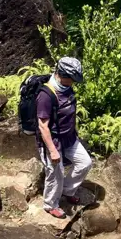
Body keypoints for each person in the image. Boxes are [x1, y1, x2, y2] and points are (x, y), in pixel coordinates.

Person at [36, 57, 93, 219]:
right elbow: (42, 126)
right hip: (52, 141)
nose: (74, 83)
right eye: (72, 79)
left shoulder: (66, 88)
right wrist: (53, 151)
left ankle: (67, 190)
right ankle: (50, 204)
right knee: (56, 172)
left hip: (69, 137)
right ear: (62, 74)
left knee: (85, 163)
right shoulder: (46, 95)